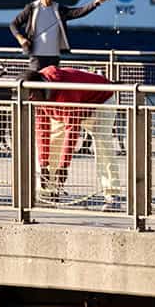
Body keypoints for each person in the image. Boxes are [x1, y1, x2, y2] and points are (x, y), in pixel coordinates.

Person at [22, 66, 121, 210]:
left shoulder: (65, 89)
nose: (32, 101)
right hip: (67, 107)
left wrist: (64, 166)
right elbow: (42, 129)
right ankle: (47, 191)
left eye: (32, 97)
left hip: (101, 102)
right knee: (53, 141)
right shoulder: (36, 94)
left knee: (102, 143)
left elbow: (72, 130)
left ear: (39, 90)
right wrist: (44, 164)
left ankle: (112, 195)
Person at [10, 0, 113, 70]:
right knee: (35, 84)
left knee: (53, 85)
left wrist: (97, 2)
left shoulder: (59, 9)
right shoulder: (31, 8)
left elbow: (79, 12)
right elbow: (13, 24)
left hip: (54, 56)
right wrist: (21, 38)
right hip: (36, 56)